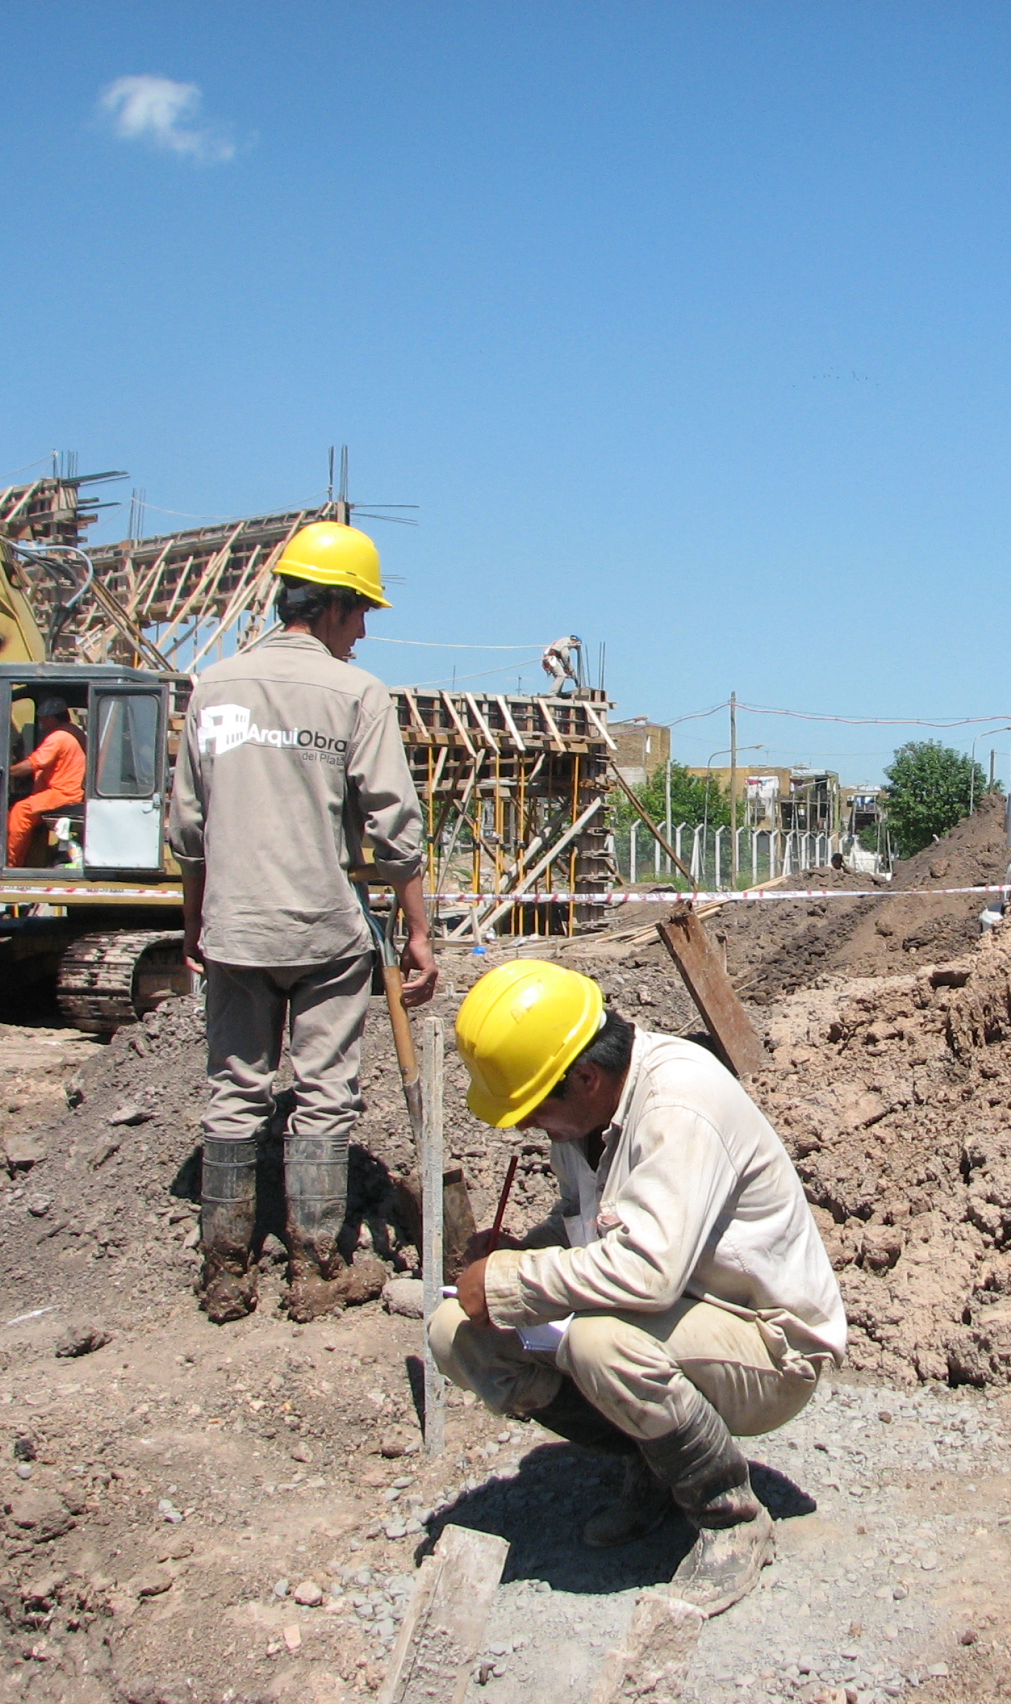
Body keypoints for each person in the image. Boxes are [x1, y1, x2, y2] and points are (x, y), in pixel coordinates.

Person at [430, 960, 846, 1616]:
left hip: (768, 1347)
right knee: (458, 1337)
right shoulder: (586, 1114)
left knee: (600, 1344)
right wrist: (522, 1253)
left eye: (534, 1114)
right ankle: (657, 1468)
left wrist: (511, 1281)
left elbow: (648, 1273)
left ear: (586, 1079)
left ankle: (729, 1519)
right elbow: (586, 1230)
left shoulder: (678, 1104)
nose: (528, 1130)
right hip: (670, 1315)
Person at [168, 520, 440, 1324]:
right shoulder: (356, 694)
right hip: (325, 932)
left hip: (235, 927)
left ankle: (225, 1270)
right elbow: (395, 827)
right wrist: (418, 932)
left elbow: (189, 831)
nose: (363, 632)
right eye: (360, 614)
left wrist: (196, 923)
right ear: (329, 607)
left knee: (234, 1091)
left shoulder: (210, 687)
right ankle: (317, 1267)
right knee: (325, 1095)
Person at [4, 698, 87, 868]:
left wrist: (7, 772)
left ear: (51, 718)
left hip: (64, 793)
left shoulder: (58, 737)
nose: (41, 723)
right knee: (30, 811)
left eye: (42, 718)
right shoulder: (75, 732)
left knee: (21, 811)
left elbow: (35, 763)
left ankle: (10, 864)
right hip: (72, 791)